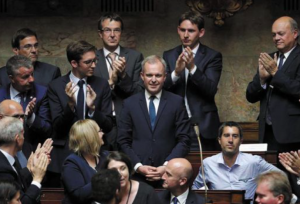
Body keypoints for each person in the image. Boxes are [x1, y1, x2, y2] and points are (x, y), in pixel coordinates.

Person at [246, 16, 300, 197]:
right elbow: (250, 95)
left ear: (295, 33)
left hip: (292, 134)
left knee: (293, 185)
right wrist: (262, 79)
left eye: (281, 33)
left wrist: (275, 73)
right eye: (273, 34)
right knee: (271, 184)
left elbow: (298, 89)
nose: (276, 38)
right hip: (267, 133)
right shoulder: (270, 58)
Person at [117, 55, 190, 186]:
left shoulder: (176, 102)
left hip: (168, 178)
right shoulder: (129, 104)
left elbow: (184, 139)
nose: (153, 80)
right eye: (149, 75)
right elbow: (123, 140)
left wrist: (167, 166)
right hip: (137, 178)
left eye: (158, 75)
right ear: (142, 76)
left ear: (165, 77)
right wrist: (138, 166)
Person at [47, 40, 113, 177]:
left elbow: (108, 125)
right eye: (88, 62)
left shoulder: (102, 85)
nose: (94, 65)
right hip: (64, 154)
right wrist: (70, 106)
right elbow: (57, 127)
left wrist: (93, 109)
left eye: (95, 60)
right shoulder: (56, 86)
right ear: (74, 63)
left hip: (95, 154)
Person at [163, 10, 222, 151]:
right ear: (178, 30)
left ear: (201, 33)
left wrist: (193, 68)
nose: (185, 35)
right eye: (182, 30)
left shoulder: (212, 56)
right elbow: (161, 89)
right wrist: (176, 73)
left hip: (202, 126)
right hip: (174, 125)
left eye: (191, 31)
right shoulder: (169, 55)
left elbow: (210, 90)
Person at [192, 121, 281, 201]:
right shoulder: (208, 164)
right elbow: (194, 190)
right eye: (226, 136)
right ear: (219, 140)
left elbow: (281, 176)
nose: (230, 140)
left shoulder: (254, 162)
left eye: (235, 136)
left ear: (241, 140)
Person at [95, 13, 144, 150]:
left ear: (121, 33)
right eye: (107, 30)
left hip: (127, 120)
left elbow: (139, 92)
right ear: (100, 34)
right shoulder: (92, 58)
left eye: (116, 30)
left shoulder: (135, 57)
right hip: (101, 122)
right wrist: (110, 82)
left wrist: (123, 76)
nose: (112, 35)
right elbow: (90, 94)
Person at [0, 55, 52, 155]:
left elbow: (47, 129)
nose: (32, 79)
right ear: (12, 78)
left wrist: (31, 117)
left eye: (32, 74)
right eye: (25, 77)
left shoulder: (41, 93)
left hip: (32, 152)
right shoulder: (1, 95)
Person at [0, 117, 50, 204]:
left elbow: (19, 183)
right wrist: (37, 179)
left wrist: (30, 169)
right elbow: (22, 202)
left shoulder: (11, 159)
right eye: (23, 134)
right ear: (17, 139)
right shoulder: (2, 168)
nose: (24, 138)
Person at [61, 119, 108, 204]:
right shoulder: (71, 162)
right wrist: (106, 177)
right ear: (90, 136)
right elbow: (79, 194)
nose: (102, 133)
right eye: (100, 131)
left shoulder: (106, 156)